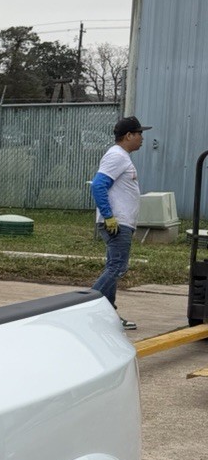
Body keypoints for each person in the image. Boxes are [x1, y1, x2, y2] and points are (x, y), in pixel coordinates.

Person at [89, 116, 149, 329]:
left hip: (121, 222)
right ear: (128, 136)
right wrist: (108, 216)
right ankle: (85, 308)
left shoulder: (121, 157)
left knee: (113, 267)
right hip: (117, 223)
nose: (142, 137)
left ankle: (108, 318)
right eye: (139, 133)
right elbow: (98, 186)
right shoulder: (117, 156)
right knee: (118, 266)